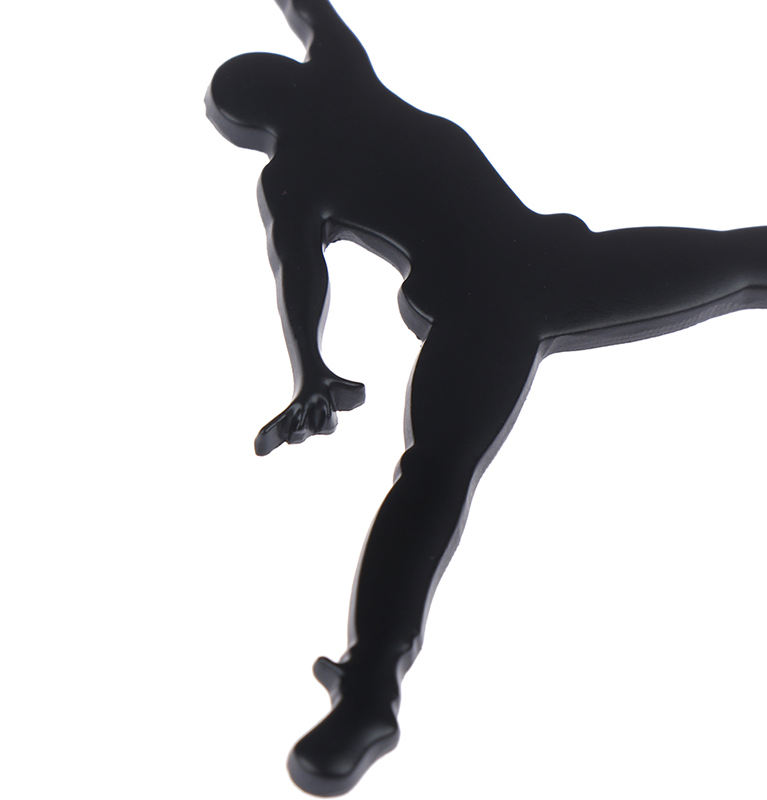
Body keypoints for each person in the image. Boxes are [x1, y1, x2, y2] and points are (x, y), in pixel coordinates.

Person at [206, 0, 767, 794]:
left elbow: (301, 268)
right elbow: (300, 260)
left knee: (432, 477)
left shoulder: (306, 152)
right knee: (743, 259)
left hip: (502, 299)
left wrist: (313, 369)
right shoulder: (341, 89)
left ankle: (369, 691)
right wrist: (310, 368)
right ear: (279, 85)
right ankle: (367, 692)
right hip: (539, 274)